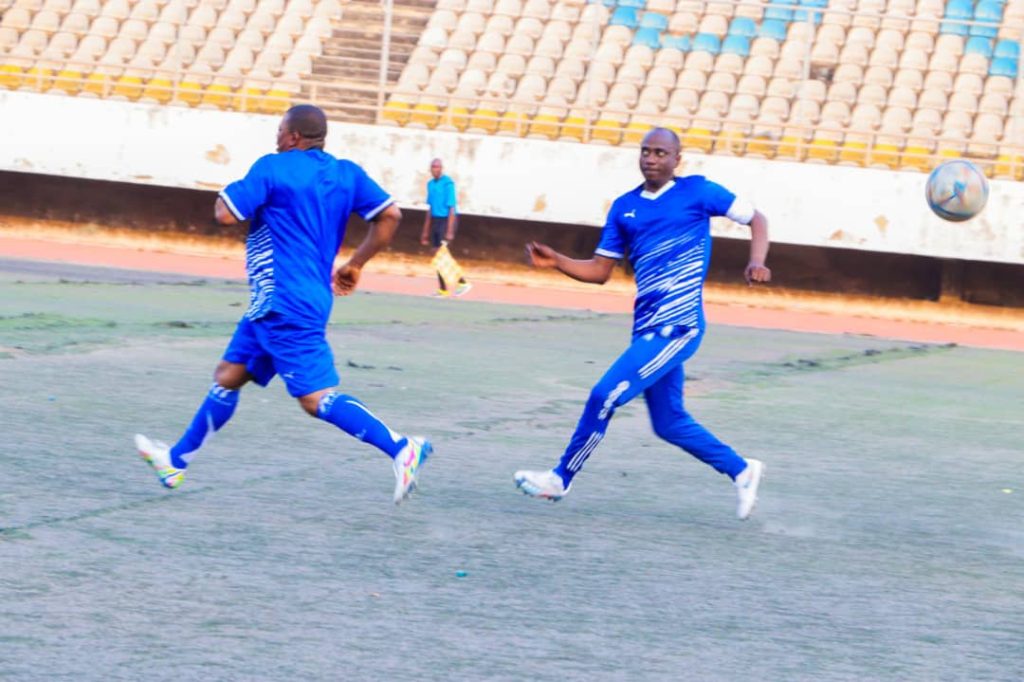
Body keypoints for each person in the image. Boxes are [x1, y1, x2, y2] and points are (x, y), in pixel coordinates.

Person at [134, 104, 432, 505]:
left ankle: (401, 447)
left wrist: (236, 185)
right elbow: (390, 215)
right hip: (284, 301)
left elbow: (225, 214)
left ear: (292, 136)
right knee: (228, 376)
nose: (275, 137)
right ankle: (176, 461)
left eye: (279, 131)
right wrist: (356, 263)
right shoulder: (346, 173)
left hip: (284, 301)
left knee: (314, 398)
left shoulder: (272, 167)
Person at [513, 127, 771, 520]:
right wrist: (558, 262)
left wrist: (757, 261)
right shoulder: (624, 207)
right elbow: (600, 271)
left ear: (677, 159)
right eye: (646, 151)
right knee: (668, 422)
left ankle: (561, 478)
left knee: (605, 394)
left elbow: (757, 219)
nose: (651, 158)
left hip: (679, 326)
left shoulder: (699, 192)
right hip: (646, 328)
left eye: (661, 153)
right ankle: (741, 470)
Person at [420, 158, 470, 297]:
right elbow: (430, 209)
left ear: (441, 168)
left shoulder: (448, 184)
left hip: (446, 220)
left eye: (437, 167)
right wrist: (425, 231)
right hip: (436, 221)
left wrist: (449, 231)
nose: (435, 169)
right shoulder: (430, 184)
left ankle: (462, 282)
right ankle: (443, 289)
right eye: (433, 167)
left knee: (441, 254)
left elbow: (452, 208)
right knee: (436, 254)